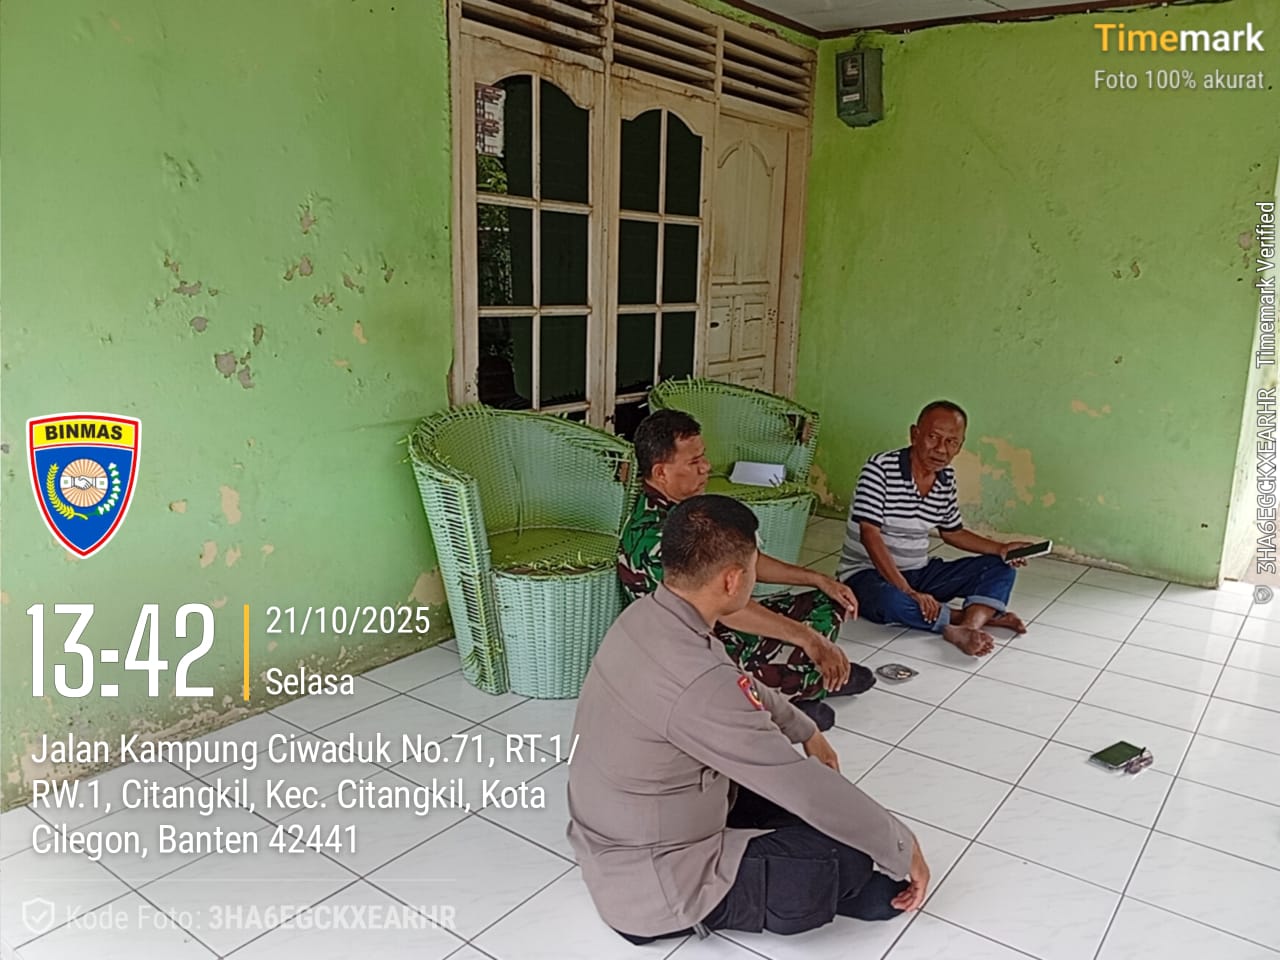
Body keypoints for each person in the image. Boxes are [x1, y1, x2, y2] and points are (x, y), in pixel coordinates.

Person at [569, 495, 930, 944]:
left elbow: (740, 683)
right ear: (733, 579)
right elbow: (799, 782)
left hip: (635, 830)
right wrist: (903, 846)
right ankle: (840, 881)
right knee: (847, 854)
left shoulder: (649, 616)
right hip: (654, 887)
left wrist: (805, 728)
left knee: (833, 817)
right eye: (755, 568)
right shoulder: (698, 682)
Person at [619, 409, 873, 731]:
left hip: (726, 623)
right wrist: (808, 638)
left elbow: (746, 558)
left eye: (703, 457)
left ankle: (806, 683)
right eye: (694, 462)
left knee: (829, 601)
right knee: (784, 655)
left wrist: (817, 578)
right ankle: (807, 685)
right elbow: (725, 610)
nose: (706, 467)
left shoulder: (687, 512)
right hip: (698, 650)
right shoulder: (654, 536)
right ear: (661, 472)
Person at [838, 400, 1038, 656]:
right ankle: (966, 617)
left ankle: (967, 628)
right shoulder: (879, 469)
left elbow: (952, 532)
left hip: (919, 571)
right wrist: (908, 592)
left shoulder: (946, 478)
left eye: (951, 442)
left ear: (959, 446)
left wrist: (1002, 548)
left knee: (1001, 566)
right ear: (914, 434)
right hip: (867, 574)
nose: (941, 449)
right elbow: (870, 534)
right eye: (933, 437)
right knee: (889, 601)